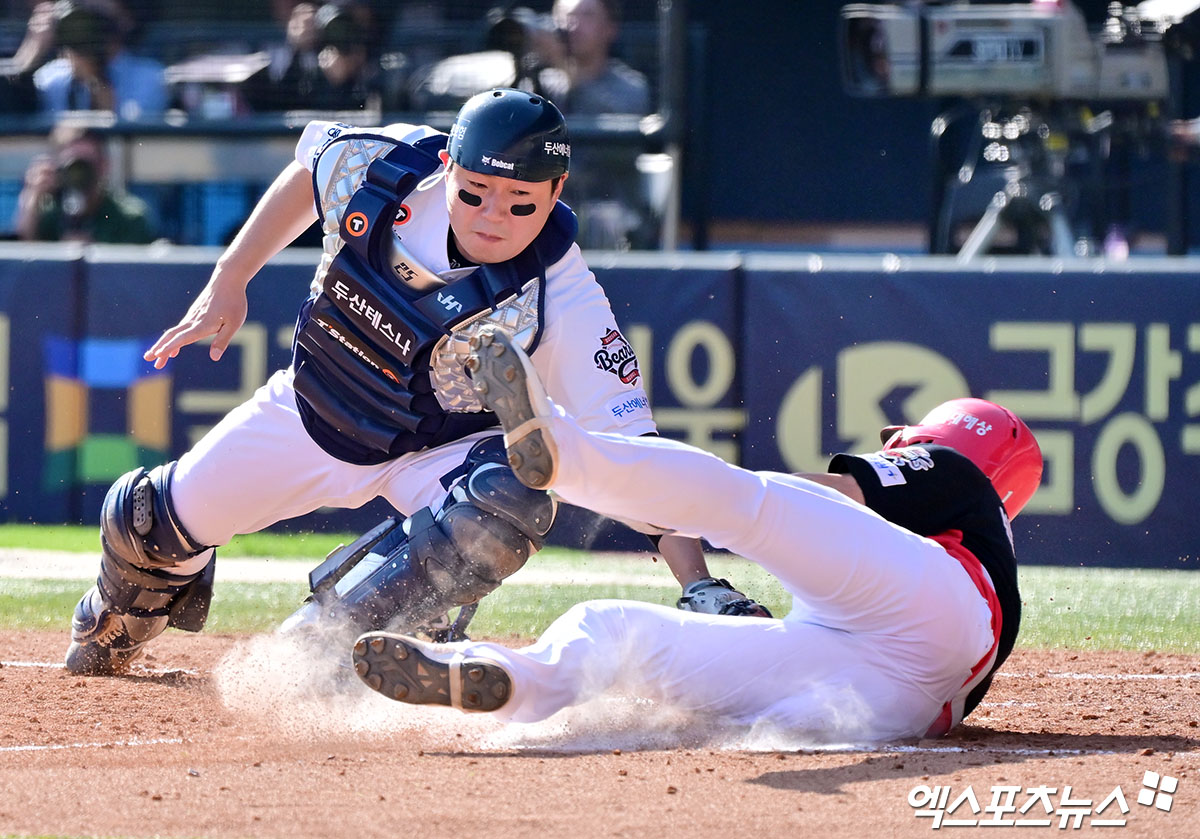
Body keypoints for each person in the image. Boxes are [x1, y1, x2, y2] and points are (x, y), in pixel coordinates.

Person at [63, 87, 766, 677]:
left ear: (557, 192)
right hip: (309, 412)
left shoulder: (564, 294)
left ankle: (331, 649)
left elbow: (634, 449)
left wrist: (696, 577)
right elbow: (309, 172)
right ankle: (115, 621)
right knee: (144, 527)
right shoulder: (383, 165)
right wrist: (230, 279)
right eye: (476, 191)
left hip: (438, 452)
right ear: (448, 164)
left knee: (506, 501)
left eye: (521, 202)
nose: (493, 218)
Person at [352, 329, 1043, 742]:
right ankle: (507, 678)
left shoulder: (956, 473)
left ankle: (570, 454)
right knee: (618, 633)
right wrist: (696, 570)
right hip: (896, 703)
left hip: (931, 616)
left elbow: (825, 498)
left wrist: (700, 516)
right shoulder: (975, 539)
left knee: (753, 501)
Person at [14, 121, 157, 243]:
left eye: (86, 166)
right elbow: (23, 258)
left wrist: (95, 254)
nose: (79, 176)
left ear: (103, 166)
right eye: (72, 166)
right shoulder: (48, 214)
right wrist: (32, 196)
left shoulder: (128, 217)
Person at [32, 0, 167, 120]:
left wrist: (96, 79)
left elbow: (135, 133)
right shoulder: (51, 79)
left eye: (97, 17)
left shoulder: (151, 77)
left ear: (125, 20)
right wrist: (32, 51)